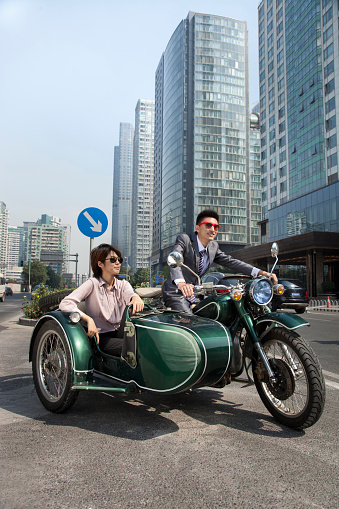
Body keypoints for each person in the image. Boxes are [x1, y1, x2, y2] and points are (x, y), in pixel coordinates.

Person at [163, 209, 278, 313]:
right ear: (197, 228)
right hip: (177, 293)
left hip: (197, 294)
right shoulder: (185, 239)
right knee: (189, 322)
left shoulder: (213, 246)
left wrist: (261, 273)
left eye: (216, 227)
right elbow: (174, 258)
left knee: (224, 312)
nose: (213, 229)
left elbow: (232, 262)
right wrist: (181, 283)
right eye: (208, 225)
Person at [59, 243, 144, 356]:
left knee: (146, 339)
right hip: (101, 337)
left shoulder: (123, 284)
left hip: (121, 332)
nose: (118, 263)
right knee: (136, 347)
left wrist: (136, 298)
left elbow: (130, 294)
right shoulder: (92, 284)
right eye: (113, 260)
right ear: (100, 263)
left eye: (119, 259)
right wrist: (88, 319)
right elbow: (66, 303)